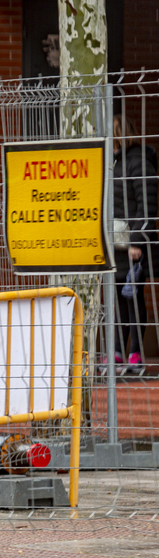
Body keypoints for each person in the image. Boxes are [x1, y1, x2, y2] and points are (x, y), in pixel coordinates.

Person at [111, 113, 158, 377]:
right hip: (114, 243)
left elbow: (147, 206)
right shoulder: (112, 163)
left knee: (133, 298)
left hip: (133, 245)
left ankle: (136, 353)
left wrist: (138, 241)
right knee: (117, 299)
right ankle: (117, 351)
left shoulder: (140, 163)